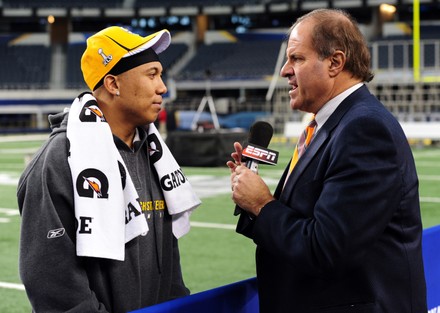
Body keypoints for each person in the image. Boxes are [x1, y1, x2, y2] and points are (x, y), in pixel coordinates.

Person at [227, 8, 427, 313]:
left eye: (296, 58)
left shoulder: (364, 129)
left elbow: (326, 249)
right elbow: (308, 220)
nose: (284, 70)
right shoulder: (334, 124)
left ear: (335, 62)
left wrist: (262, 205)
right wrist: (252, 200)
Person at [17, 26, 200, 313]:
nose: (163, 87)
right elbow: (55, 287)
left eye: (161, 75)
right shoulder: (57, 162)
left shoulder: (155, 155)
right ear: (113, 84)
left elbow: (170, 267)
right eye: (152, 74)